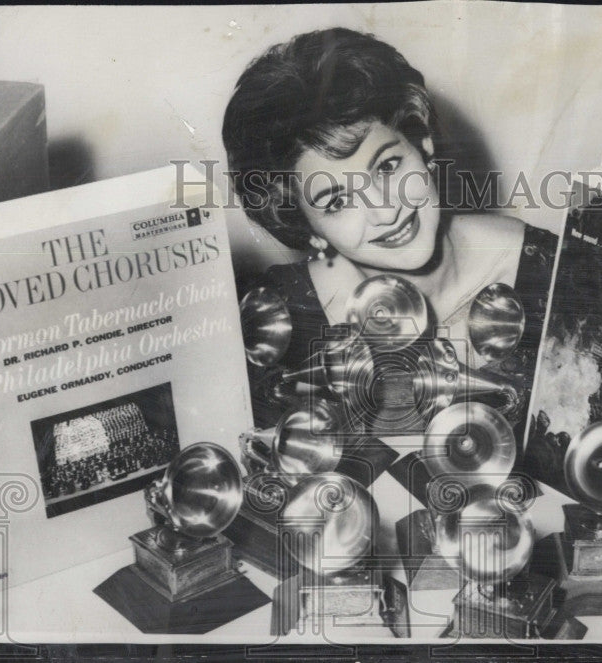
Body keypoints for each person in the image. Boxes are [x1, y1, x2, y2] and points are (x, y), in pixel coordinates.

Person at [222, 28, 558, 436]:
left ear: (423, 145)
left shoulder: (550, 269)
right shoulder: (277, 325)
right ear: (305, 227)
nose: (385, 209)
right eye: (336, 202)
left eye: (387, 167)